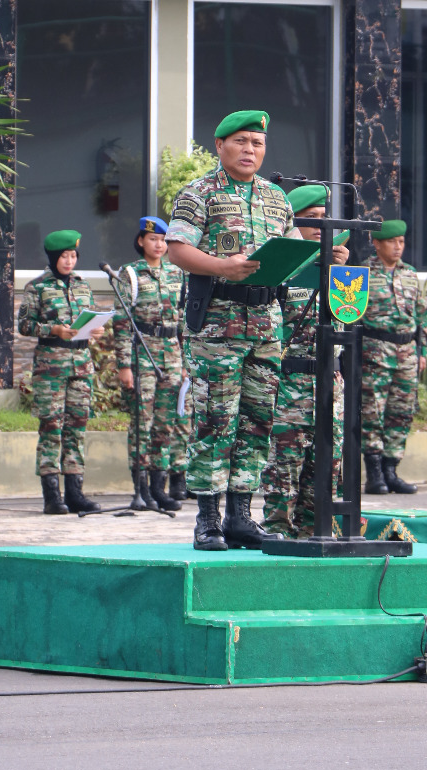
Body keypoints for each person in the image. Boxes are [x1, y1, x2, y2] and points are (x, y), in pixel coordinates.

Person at [166, 109, 295, 551]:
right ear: (220, 145)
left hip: (266, 325)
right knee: (215, 421)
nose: (249, 150)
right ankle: (207, 520)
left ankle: (241, 516)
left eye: (257, 144)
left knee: (258, 420)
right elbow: (177, 250)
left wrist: (322, 258)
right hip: (218, 327)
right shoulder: (198, 193)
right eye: (240, 141)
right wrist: (225, 266)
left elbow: (292, 253)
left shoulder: (278, 198)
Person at [259, 184, 349, 538]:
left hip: (329, 383)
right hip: (289, 384)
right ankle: (278, 534)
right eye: (310, 219)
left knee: (327, 467)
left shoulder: (338, 266)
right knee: (284, 468)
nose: (319, 226)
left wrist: (337, 275)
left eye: (323, 219)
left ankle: (317, 534)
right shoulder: (281, 269)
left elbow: (348, 318)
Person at [18, 229, 103, 515]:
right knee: (52, 427)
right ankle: (52, 496)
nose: (69, 261)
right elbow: (24, 326)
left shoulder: (83, 285)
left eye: (73, 256)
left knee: (77, 427)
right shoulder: (38, 287)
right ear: (54, 257)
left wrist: (96, 328)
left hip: (81, 363)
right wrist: (52, 329)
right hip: (50, 365)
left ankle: (76, 491)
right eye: (64, 256)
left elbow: (88, 317)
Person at [114, 216, 187, 512]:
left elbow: (183, 321)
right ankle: (141, 488)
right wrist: (124, 365)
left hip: (171, 352)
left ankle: (160, 487)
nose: (159, 245)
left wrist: (184, 362)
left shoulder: (176, 273)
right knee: (142, 423)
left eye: (163, 240)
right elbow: (121, 323)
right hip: (142, 351)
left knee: (165, 423)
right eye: (153, 239)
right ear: (141, 241)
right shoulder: (130, 274)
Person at [360, 220, 427, 495]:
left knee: (401, 413)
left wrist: (422, 351)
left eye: (401, 241)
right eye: (392, 241)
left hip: (407, 353)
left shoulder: (410, 274)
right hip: (376, 351)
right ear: (377, 243)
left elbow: (421, 316)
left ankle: (392, 470)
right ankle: (374, 474)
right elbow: (351, 314)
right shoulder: (362, 272)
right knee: (373, 412)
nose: (398, 246)